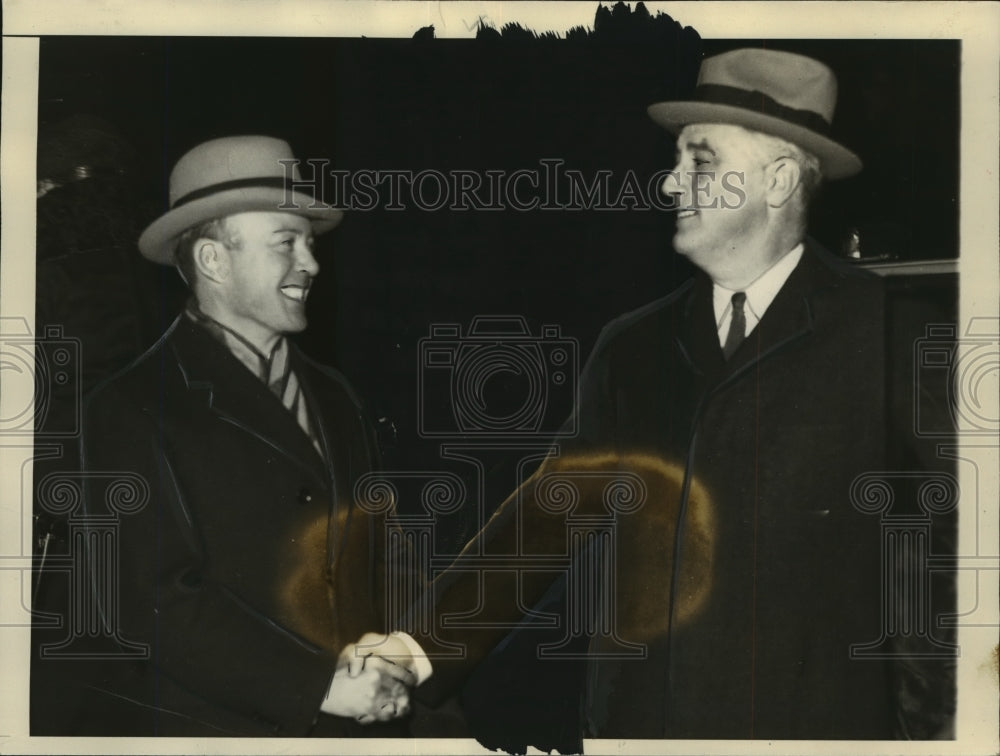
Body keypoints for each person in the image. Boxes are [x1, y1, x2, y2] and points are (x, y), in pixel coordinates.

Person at [344, 48, 955, 741]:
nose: (669, 184)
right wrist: (414, 649)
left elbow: (952, 563)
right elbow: (546, 520)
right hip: (642, 728)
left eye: (700, 160)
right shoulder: (632, 347)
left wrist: (935, 732)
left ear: (780, 179)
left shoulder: (893, 334)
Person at [75, 135, 427, 736]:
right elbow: (154, 603)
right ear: (214, 260)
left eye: (310, 244)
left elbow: (386, 547)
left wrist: (402, 653)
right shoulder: (128, 408)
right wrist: (318, 685)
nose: (311, 263)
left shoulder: (335, 393)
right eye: (286, 242)